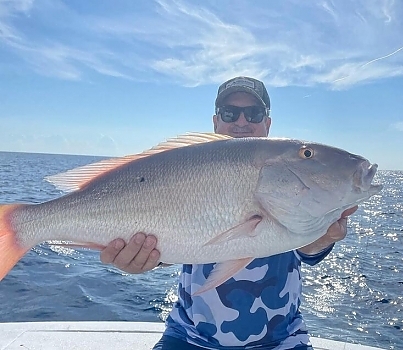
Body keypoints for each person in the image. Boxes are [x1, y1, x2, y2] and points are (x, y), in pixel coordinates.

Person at [100, 77, 357, 349]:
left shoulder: (291, 174)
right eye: (230, 113)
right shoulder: (189, 166)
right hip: (189, 338)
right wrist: (142, 259)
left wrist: (323, 237)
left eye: (254, 113)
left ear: (268, 124)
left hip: (281, 341)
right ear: (215, 122)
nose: (242, 122)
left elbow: (309, 251)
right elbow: (171, 240)